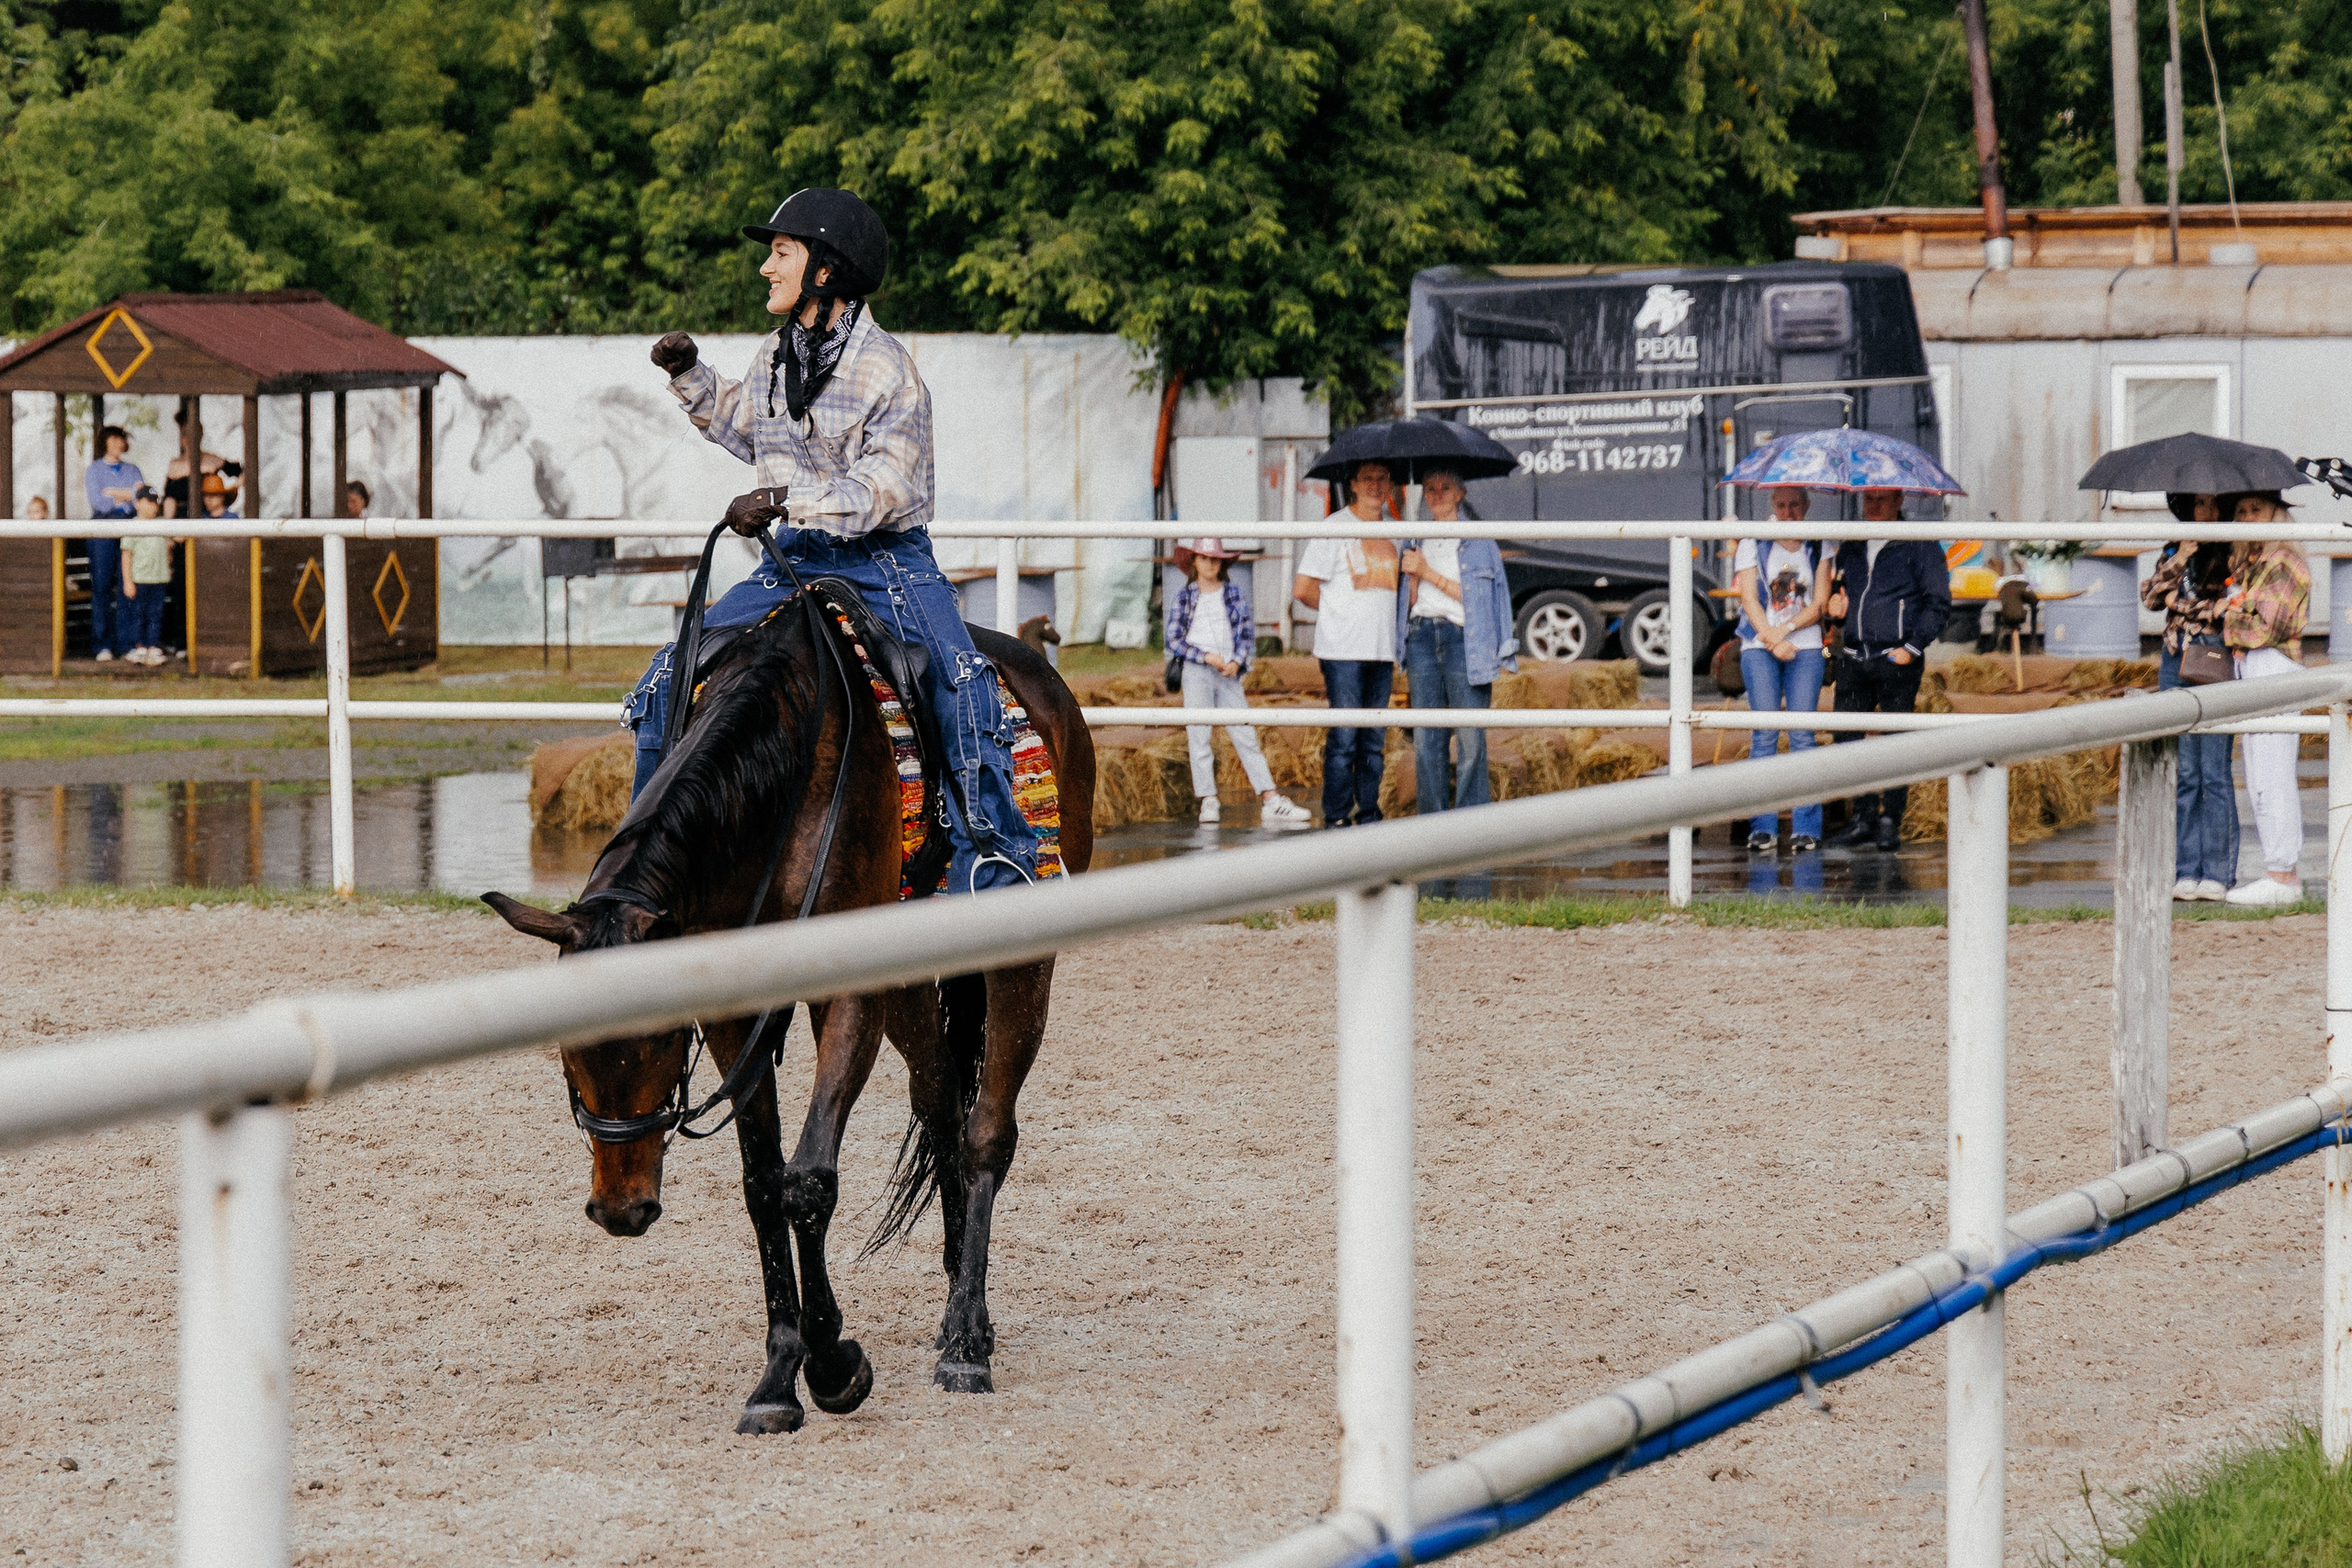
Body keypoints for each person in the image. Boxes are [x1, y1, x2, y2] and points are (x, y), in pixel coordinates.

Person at [628, 186, 1040, 893]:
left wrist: (786, 498)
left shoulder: (888, 370)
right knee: (670, 672)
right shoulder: (774, 354)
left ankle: (997, 860)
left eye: (781, 253)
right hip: (799, 555)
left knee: (963, 682)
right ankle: (642, 865)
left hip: (888, 559)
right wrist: (689, 376)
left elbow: (886, 490)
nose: (766, 268)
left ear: (826, 271)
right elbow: (746, 424)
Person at [1826, 487, 1951, 851]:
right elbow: (1842, 590)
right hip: (1854, 654)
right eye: (1869, 499)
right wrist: (1836, 607)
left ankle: (1889, 820)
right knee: (1846, 738)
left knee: (1895, 739)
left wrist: (1911, 648)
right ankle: (1863, 816)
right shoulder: (1853, 542)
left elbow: (1939, 601)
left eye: (1882, 498)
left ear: (1899, 501)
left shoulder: (1920, 543)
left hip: (1895, 658)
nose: (1874, 506)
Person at [1165, 539, 1311, 828]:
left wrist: (1237, 661)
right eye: (1205, 559)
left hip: (1228, 672)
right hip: (1197, 670)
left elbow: (1244, 634)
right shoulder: (1185, 597)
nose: (1210, 565)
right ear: (1194, 561)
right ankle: (1208, 799)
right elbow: (1174, 639)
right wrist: (1205, 656)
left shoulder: (1233, 594)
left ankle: (1270, 798)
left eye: (1216, 560)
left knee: (1244, 733)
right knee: (1200, 734)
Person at [1396, 465, 1516, 814]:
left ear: (1460, 493)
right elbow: (1411, 601)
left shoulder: (1479, 541)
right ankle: (1432, 820)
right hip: (1421, 635)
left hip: (1464, 638)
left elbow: (1482, 600)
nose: (1436, 495)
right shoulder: (1417, 537)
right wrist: (1413, 577)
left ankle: (1470, 819)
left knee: (1470, 736)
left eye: (1444, 488)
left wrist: (1426, 572)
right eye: (1430, 489)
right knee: (1427, 737)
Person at [1293, 460, 1400, 828]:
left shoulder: (1398, 532)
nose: (1374, 485)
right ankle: (1337, 815)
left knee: (1373, 740)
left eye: (1381, 477)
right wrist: (1341, 611)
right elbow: (1303, 590)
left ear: (1390, 484)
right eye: (1367, 478)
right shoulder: (1334, 528)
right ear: (1353, 484)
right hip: (1343, 652)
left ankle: (1369, 813)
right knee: (1345, 737)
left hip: (1382, 650)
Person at [2141, 493, 2237, 900]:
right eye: (2199, 504)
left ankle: (2217, 872)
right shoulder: (2172, 550)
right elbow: (2149, 598)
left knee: (2213, 770)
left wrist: (2180, 605)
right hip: (2174, 656)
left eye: (2215, 504)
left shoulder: (2232, 550)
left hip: (2213, 654)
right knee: (2185, 773)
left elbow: (2229, 607)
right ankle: (2184, 869)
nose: (2208, 512)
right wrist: (2181, 555)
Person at [2221, 493, 2311, 908]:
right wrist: (2240, 616)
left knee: (2273, 768)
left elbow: (2266, 627)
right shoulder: (2253, 567)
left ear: (2277, 513)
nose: (2247, 517)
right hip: (2252, 665)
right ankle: (2277, 871)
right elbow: (2251, 622)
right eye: (2241, 511)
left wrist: (2230, 617)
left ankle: (2283, 872)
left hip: (2273, 663)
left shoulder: (2284, 563)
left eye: (2255, 509)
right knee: (2257, 771)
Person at [1735, 486, 1836, 853]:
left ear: (1806, 506)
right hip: (1759, 644)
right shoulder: (1754, 541)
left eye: (1795, 504)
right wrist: (1771, 638)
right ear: (1772, 507)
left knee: (1802, 734)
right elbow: (1748, 597)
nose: (1788, 511)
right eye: (1781, 505)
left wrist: (1786, 631)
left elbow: (1820, 601)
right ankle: (1762, 827)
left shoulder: (1818, 543)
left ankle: (1806, 827)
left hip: (1805, 645)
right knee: (1763, 733)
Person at [84, 424, 141, 663]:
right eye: (114, 439)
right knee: (102, 586)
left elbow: (140, 499)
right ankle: (102, 645)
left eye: (122, 439)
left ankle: (126, 644)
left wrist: (116, 494)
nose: (119, 444)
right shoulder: (94, 470)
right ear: (105, 442)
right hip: (103, 530)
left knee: (128, 584)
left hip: (129, 527)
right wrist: (127, 494)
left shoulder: (133, 469)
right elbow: (99, 502)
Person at [119, 487, 174, 666]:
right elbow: (126, 555)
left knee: (155, 615)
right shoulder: (132, 526)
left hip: (159, 578)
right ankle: (139, 647)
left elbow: (179, 537)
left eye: (156, 502)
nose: (153, 506)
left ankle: (153, 647)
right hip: (139, 579)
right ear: (138, 503)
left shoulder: (162, 523)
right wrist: (127, 581)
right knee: (138, 614)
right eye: (149, 502)